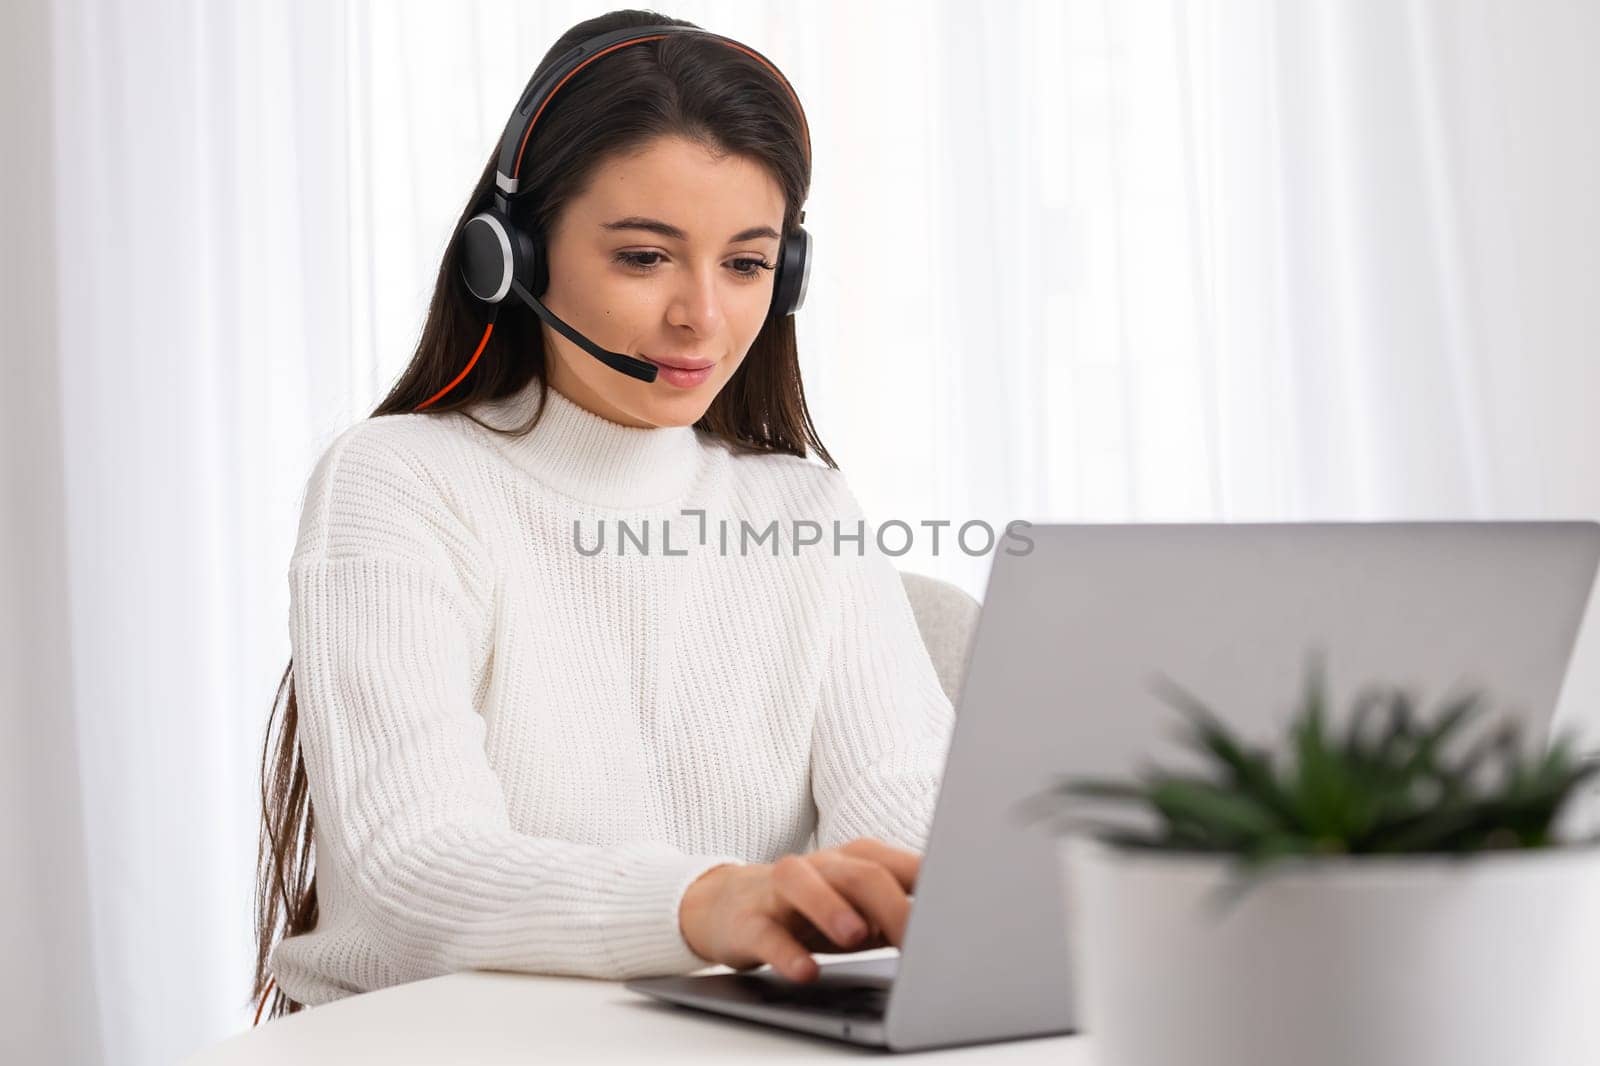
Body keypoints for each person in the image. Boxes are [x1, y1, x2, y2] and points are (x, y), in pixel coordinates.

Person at [251, 8, 954, 1022]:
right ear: (513, 258)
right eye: (643, 257)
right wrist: (703, 902)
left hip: (715, 1040)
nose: (702, 319)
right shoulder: (399, 479)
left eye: (747, 264)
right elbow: (417, 866)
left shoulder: (805, 508)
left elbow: (905, 829)